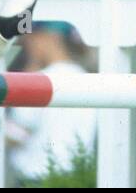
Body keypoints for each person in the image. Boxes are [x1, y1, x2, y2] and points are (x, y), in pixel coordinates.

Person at [7, 23, 97, 181]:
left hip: (36, 179)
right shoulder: (87, 79)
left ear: (45, 37)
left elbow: (16, 134)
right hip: (76, 177)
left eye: (29, 40)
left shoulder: (39, 80)